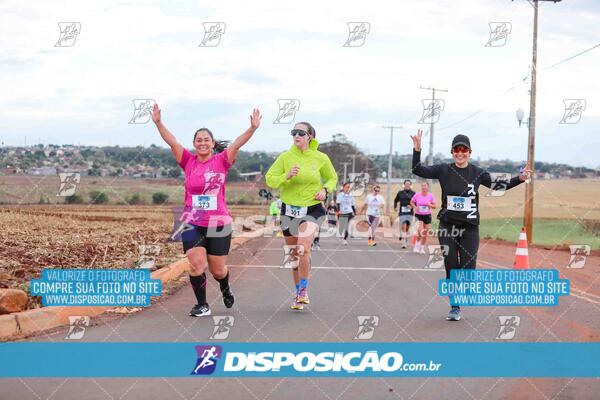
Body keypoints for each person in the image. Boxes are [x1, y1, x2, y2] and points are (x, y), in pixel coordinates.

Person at [152, 103, 262, 317]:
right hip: (191, 222)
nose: (202, 143)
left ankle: (225, 287)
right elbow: (172, 141)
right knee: (195, 264)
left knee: (218, 270)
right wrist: (158, 123)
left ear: (212, 144)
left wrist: (252, 129)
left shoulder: (222, 161)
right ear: (194, 144)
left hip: (218, 223)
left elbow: (237, 145)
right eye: (198, 140)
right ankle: (202, 304)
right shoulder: (188, 161)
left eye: (206, 140)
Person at [410, 130, 531, 321]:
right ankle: (455, 306)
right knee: (452, 266)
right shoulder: (444, 170)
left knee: (468, 269)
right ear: (452, 152)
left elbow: (499, 185)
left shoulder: (477, 173)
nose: (460, 153)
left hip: (470, 228)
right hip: (448, 226)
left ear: (469, 152)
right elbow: (418, 170)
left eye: (463, 149)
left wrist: (520, 179)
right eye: (456, 149)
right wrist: (417, 149)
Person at [265, 122, 337, 310]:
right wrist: (285, 176)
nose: (296, 135)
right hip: (289, 210)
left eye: (300, 133)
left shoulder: (320, 158)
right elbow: (269, 178)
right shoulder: (285, 157)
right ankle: (298, 293)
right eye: (294, 132)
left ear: (310, 136)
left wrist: (325, 190)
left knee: (303, 247)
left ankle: (303, 290)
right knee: (294, 256)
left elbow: (332, 178)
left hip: (312, 209)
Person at [410, 182, 436, 254]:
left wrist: (429, 205)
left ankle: (421, 247)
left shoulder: (431, 196)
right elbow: (411, 202)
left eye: (425, 186)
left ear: (428, 187)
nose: (424, 187)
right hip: (419, 215)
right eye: (422, 186)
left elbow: (434, 206)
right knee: (420, 230)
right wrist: (415, 207)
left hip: (427, 215)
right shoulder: (417, 195)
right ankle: (416, 245)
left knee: (425, 232)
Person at [393, 179, 416, 248]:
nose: (407, 185)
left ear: (410, 185)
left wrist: (412, 206)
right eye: (406, 184)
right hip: (402, 212)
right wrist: (395, 207)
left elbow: (416, 202)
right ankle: (404, 242)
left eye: (408, 184)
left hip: (410, 212)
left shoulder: (413, 193)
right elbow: (395, 200)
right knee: (404, 226)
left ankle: (403, 236)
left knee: (407, 227)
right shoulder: (400, 193)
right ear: (404, 185)